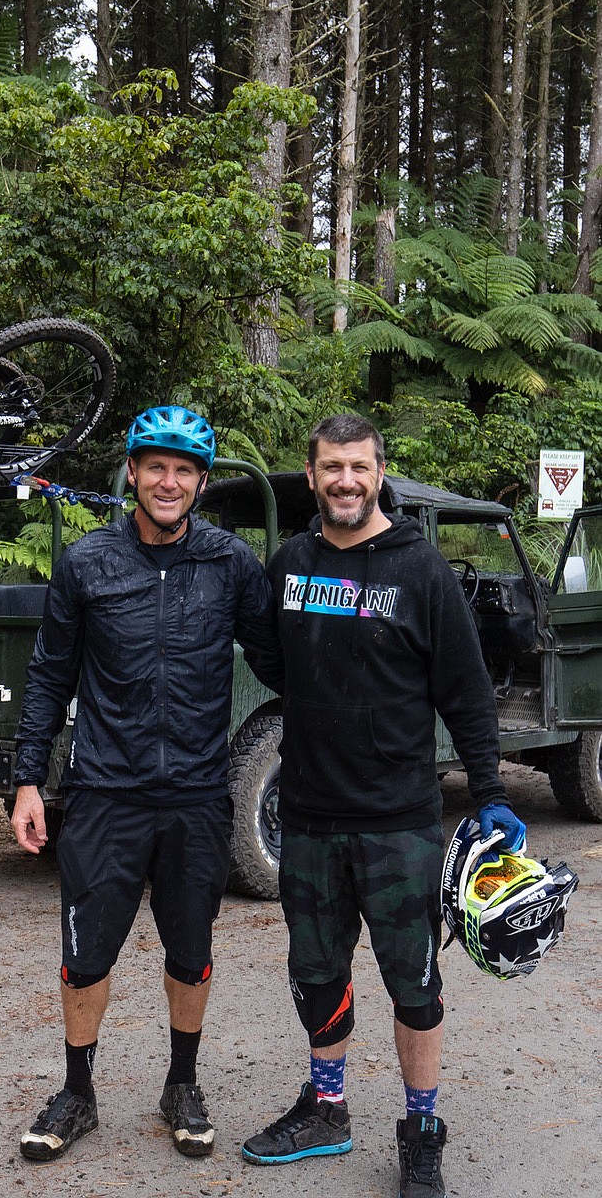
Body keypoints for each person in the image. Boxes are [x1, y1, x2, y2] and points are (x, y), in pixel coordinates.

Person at [241, 413, 525, 1198]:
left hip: (398, 822)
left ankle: (421, 1128)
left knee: (414, 985)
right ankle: (326, 1111)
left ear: (378, 473)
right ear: (311, 475)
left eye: (358, 467)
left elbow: (464, 692)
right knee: (317, 974)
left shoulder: (420, 568)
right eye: (331, 467)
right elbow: (271, 657)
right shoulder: (289, 565)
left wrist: (492, 794)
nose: (344, 481)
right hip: (306, 818)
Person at [10, 405, 284, 1163]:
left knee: (189, 952)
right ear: (131, 472)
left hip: (196, 798)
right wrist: (28, 782)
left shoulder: (230, 563)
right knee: (85, 956)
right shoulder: (87, 563)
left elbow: (278, 661)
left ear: (201, 482)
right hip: (104, 792)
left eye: (184, 469)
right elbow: (47, 676)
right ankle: (77, 1093)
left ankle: (181, 1084)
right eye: (155, 465)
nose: (168, 481)